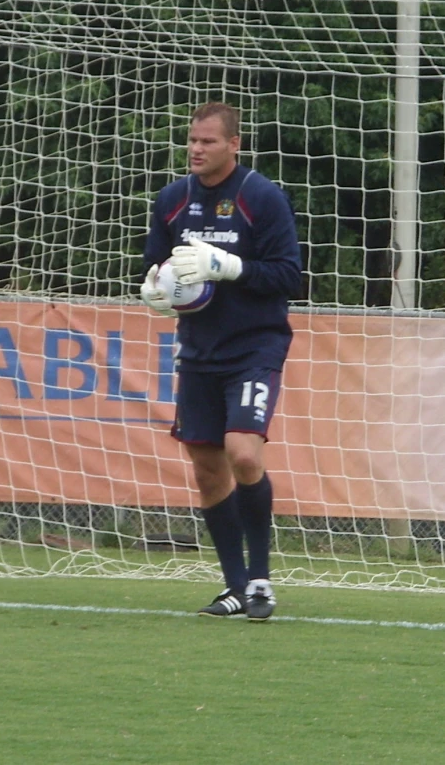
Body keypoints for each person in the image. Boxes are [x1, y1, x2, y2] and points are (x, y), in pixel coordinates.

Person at [141, 102, 301, 621]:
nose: (196, 149)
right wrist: (155, 291)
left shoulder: (262, 198)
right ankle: (234, 588)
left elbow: (287, 276)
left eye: (208, 141)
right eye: (192, 140)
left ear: (234, 144)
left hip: (255, 347)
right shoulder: (171, 201)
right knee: (208, 472)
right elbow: (155, 268)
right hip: (199, 353)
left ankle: (260, 581)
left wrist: (230, 266)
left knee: (244, 455)